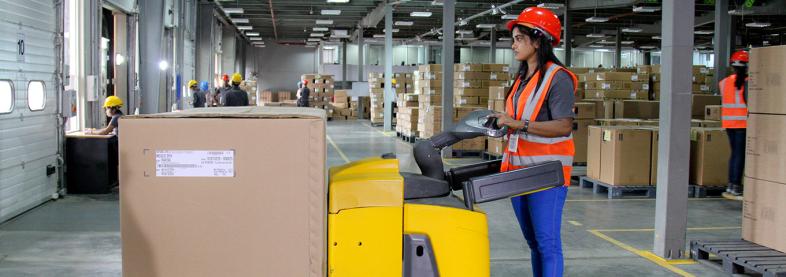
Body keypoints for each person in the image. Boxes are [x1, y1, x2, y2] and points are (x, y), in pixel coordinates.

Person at [488, 7, 577, 277]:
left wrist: (519, 124)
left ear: (538, 40)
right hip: (520, 173)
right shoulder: (523, 78)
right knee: (534, 244)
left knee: (547, 244)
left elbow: (564, 125)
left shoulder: (557, 78)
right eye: (513, 39)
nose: (513, 45)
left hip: (547, 175)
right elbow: (518, 120)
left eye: (518, 39)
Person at [721, 50, 749, 199]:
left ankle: (731, 186)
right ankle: (736, 187)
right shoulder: (747, 82)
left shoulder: (724, 82)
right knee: (739, 155)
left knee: (734, 154)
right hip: (742, 124)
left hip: (728, 123)